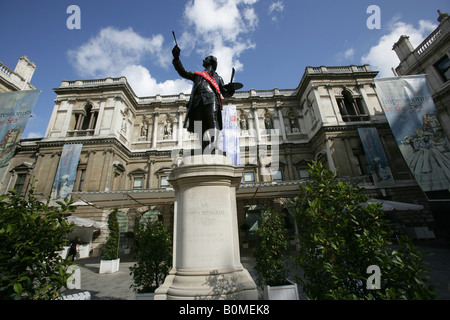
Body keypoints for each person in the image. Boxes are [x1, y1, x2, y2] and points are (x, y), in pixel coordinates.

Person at [172, 45, 235, 152]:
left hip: (212, 100)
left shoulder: (218, 78)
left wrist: (231, 90)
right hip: (198, 101)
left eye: (206, 59)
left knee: (212, 122)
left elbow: (225, 94)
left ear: (212, 62)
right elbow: (183, 72)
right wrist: (176, 58)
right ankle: (204, 148)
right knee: (199, 126)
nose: (203, 60)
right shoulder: (198, 75)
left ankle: (214, 146)